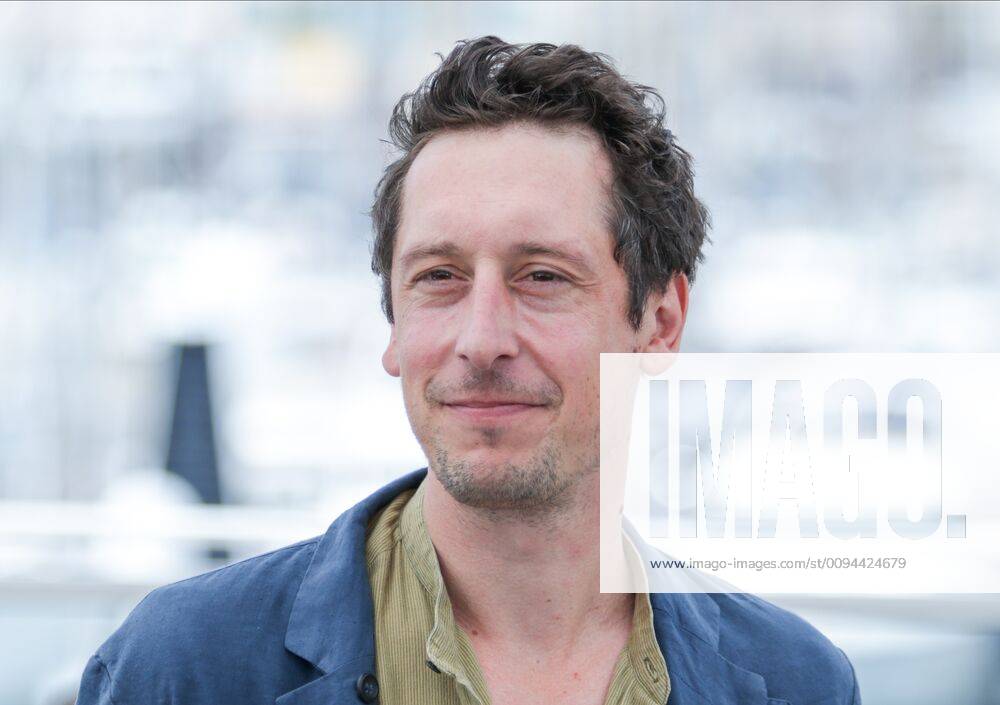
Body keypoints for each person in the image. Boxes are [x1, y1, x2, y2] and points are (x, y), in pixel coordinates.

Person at [76, 36, 860, 705]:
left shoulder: (799, 681)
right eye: (439, 277)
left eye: (542, 276)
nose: (481, 340)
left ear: (658, 323)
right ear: (393, 322)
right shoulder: (184, 668)